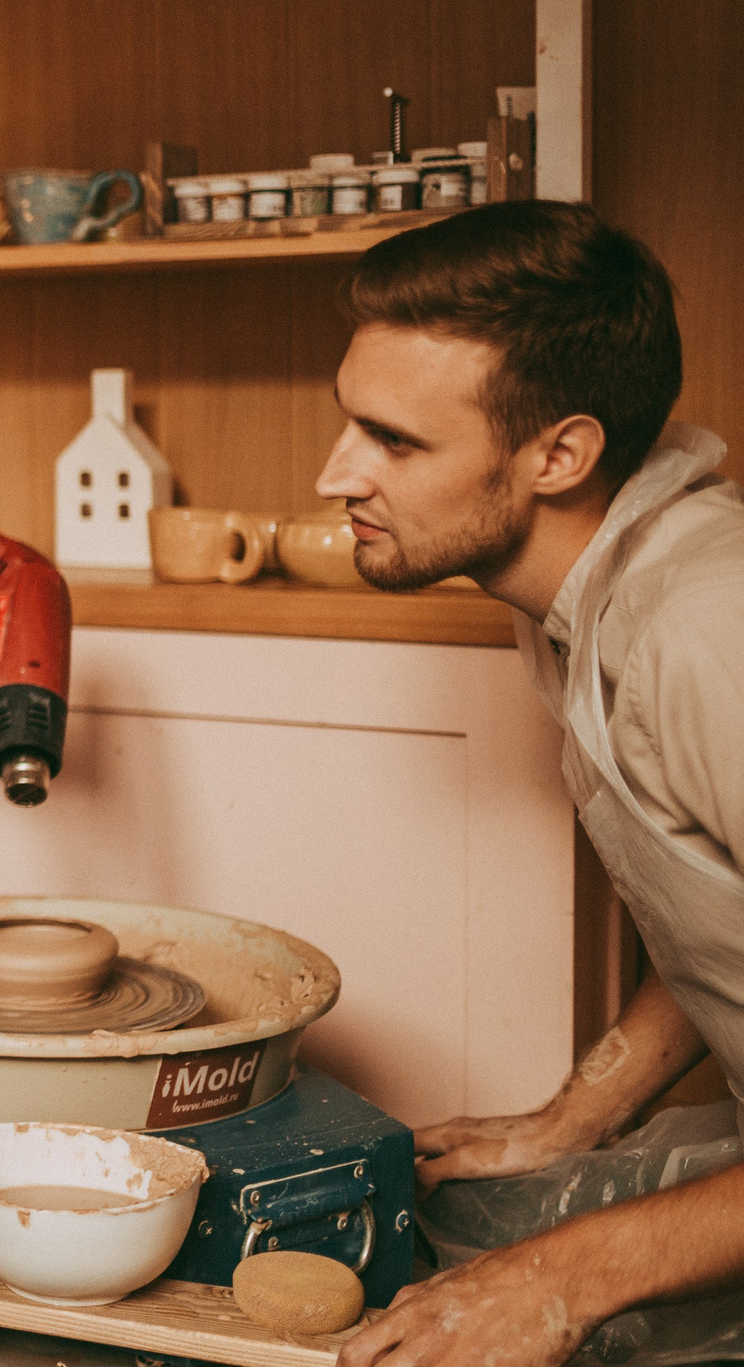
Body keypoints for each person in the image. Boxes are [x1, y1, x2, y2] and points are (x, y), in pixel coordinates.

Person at [312, 203, 744, 1367]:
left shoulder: (704, 634)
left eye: (393, 443)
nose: (331, 474)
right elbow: (723, 918)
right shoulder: (570, 599)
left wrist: (559, 1283)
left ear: (559, 454)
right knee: (449, 1225)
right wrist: (572, 1118)